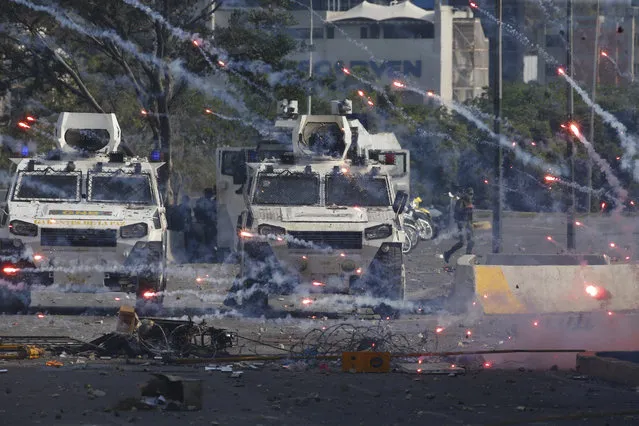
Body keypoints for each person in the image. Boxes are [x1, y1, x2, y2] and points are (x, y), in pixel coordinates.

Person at [444, 187, 475, 263]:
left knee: (472, 241)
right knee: (462, 242)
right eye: (470, 194)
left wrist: (471, 223)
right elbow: (457, 212)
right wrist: (466, 210)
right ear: (466, 193)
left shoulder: (469, 201)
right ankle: (448, 253)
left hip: (467, 223)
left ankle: (468, 256)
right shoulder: (460, 201)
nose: (471, 196)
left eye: (472, 194)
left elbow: (470, 214)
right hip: (461, 223)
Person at [194, 188, 217, 261]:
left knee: (208, 240)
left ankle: (207, 254)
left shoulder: (202, 201)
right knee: (208, 240)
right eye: (210, 193)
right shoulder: (206, 202)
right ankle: (207, 255)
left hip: (205, 224)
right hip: (205, 224)